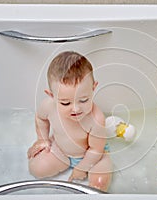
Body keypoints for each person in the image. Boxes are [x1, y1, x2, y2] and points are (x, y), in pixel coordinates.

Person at [27, 51, 113, 192]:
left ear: (93, 88)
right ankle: (61, 163)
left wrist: (83, 167)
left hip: (94, 155)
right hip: (60, 150)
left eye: (84, 100)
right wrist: (42, 139)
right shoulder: (48, 106)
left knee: (99, 185)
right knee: (36, 168)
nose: (76, 108)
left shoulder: (96, 118)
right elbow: (41, 119)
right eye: (65, 103)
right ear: (52, 96)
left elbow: (96, 149)